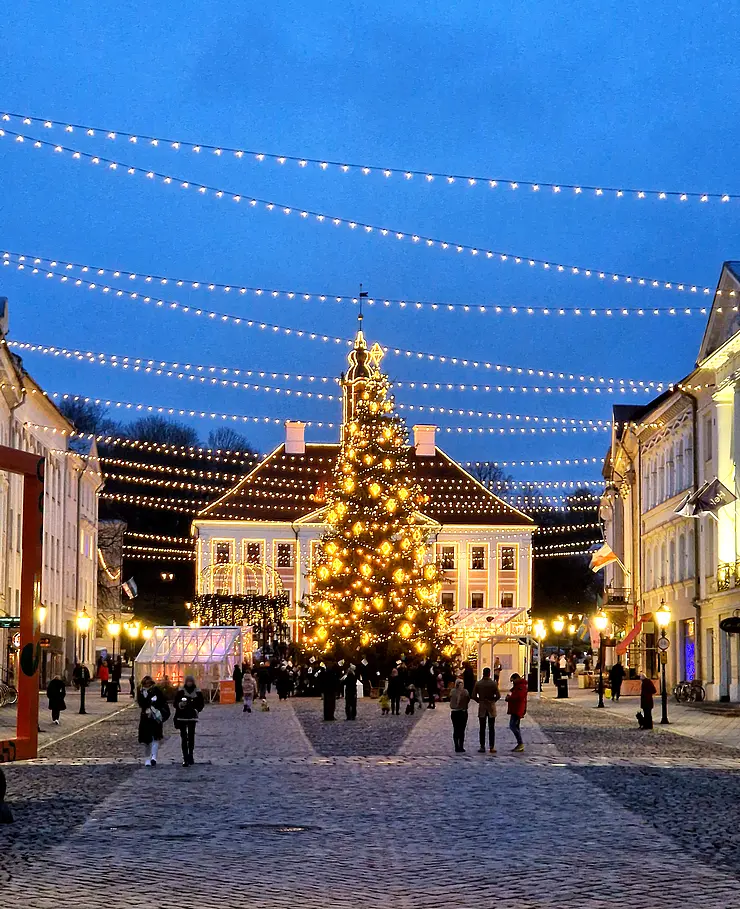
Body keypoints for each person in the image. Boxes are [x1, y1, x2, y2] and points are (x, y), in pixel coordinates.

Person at [137, 675, 170, 766]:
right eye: (146, 684)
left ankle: (154, 757)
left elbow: (162, 701)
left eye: (149, 684)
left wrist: (154, 705)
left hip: (155, 716)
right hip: (145, 717)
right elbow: (141, 703)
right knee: (147, 740)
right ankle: (147, 758)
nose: (147, 686)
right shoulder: (140, 691)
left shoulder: (156, 691)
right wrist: (148, 703)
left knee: (155, 737)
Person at [173, 675, 205, 766]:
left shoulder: (197, 692)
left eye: (191, 682)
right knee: (183, 737)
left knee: (191, 737)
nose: (189, 683)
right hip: (182, 717)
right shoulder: (181, 692)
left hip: (192, 717)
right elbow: (175, 703)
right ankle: (185, 757)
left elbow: (201, 703)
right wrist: (180, 705)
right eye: (188, 682)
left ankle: (190, 754)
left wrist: (196, 710)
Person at [472, 667, 500, 754]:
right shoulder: (493, 684)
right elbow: (498, 695)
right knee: (491, 728)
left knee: (482, 728)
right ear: (489, 673)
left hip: (482, 706)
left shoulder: (478, 683)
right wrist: (493, 701)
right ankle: (492, 747)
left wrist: (479, 700)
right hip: (491, 706)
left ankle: (482, 746)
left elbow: (473, 695)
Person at [506, 673, 528, 752]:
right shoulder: (518, 686)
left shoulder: (521, 687)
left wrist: (509, 698)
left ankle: (520, 743)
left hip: (517, 708)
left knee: (512, 726)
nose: (513, 682)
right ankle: (520, 744)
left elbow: (519, 697)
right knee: (516, 726)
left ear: (516, 679)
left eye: (513, 681)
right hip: (516, 708)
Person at [449, 679, 470, 753]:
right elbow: (468, 700)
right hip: (463, 712)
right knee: (462, 730)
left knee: (456, 729)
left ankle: (456, 746)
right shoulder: (465, 692)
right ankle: (461, 746)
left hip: (454, 712)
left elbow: (450, 699)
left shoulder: (452, 691)